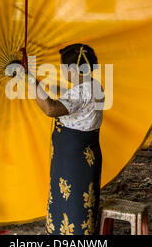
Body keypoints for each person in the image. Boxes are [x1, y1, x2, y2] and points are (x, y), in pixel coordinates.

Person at [27, 43, 104, 235]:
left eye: (63, 68)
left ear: (72, 69)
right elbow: (74, 100)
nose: (63, 73)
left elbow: (50, 109)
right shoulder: (95, 86)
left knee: (71, 208)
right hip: (85, 157)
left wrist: (29, 80)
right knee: (80, 206)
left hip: (73, 161)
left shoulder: (80, 92)